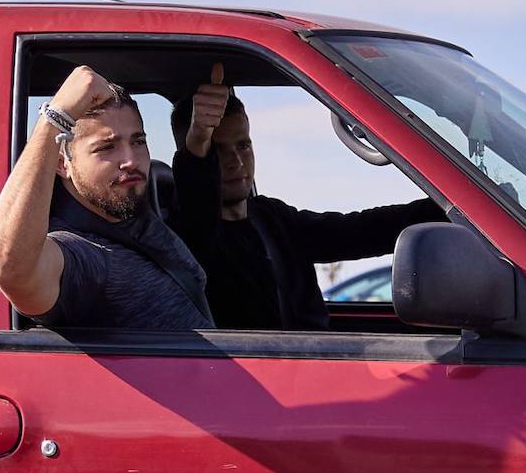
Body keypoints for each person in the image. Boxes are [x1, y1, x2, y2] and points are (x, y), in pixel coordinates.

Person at [171, 63, 446, 330]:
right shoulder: (186, 239)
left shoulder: (271, 217)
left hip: (308, 361)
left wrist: (451, 210)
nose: (236, 162)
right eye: (218, 151)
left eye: (243, 145)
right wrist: (197, 145)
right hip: (255, 371)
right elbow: (197, 207)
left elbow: (359, 231)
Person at [0, 65, 213, 331]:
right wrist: (54, 119)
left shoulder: (134, 212)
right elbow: (10, 270)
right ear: (62, 164)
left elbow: (201, 220)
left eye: (138, 141)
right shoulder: (82, 254)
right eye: (107, 147)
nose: (130, 160)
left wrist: (199, 142)